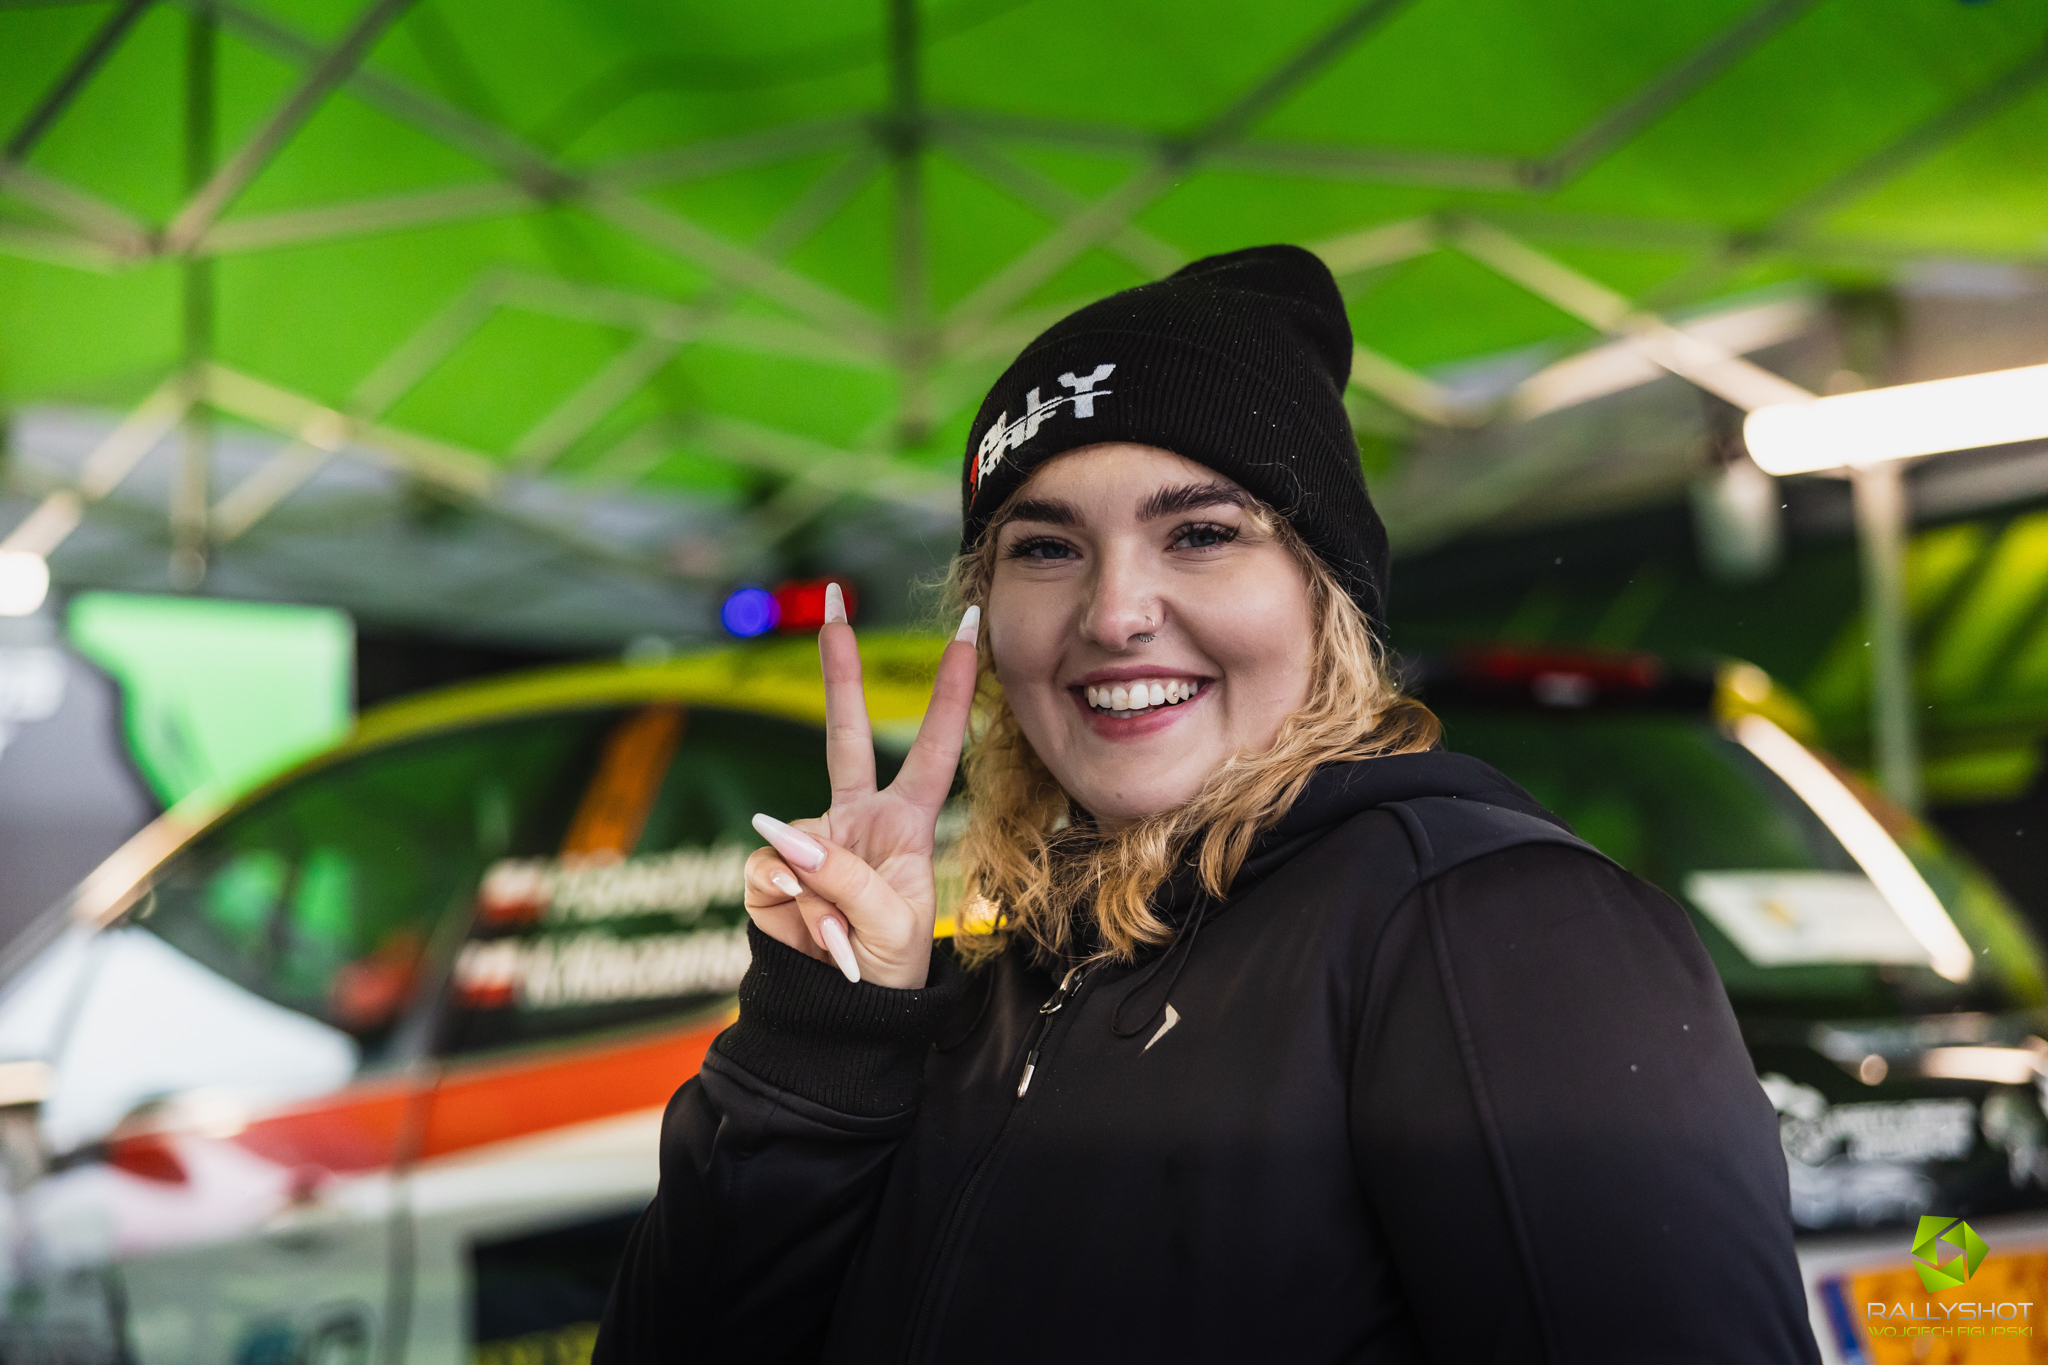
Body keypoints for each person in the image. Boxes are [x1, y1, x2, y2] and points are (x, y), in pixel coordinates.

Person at [594, 246, 1819, 1363]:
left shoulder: (1497, 931)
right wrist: (828, 1035)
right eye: (1044, 547)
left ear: (1323, 597)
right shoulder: (1005, 980)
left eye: (1201, 534)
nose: (1113, 612)